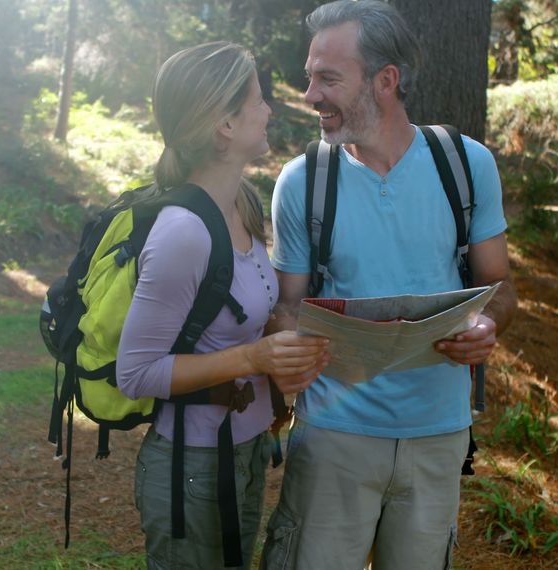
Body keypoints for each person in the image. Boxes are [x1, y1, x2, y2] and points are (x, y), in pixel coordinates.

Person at [260, 2, 518, 569]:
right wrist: (289, 344)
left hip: (439, 435)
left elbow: (498, 285)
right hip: (333, 436)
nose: (310, 94)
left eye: (328, 78)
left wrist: (487, 323)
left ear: (385, 81)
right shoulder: (303, 180)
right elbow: (287, 304)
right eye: (310, 76)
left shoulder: (467, 165)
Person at [116, 41, 330, 569]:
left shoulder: (242, 204)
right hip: (192, 465)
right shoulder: (182, 233)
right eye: (257, 99)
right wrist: (253, 360)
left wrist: (280, 331)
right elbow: (136, 373)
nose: (269, 110)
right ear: (225, 126)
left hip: (247, 449)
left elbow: (236, 317)